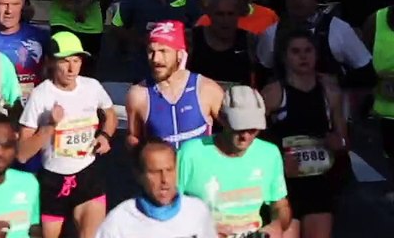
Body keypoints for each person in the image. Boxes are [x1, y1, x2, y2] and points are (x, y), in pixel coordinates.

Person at [18, 32, 116, 238]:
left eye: (76, 60)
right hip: (53, 180)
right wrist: (50, 126)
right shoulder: (40, 95)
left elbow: (110, 114)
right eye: (65, 61)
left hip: (87, 174)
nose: (72, 68)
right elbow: (22, 153)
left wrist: (105, 136)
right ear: (51, 62)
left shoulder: (92, 87)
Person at [261, 30, 348, 238]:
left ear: (317, 55)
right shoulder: (273, 93)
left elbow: (344, 140)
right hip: (284, 186)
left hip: (319, 182)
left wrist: (338, 142)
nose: (303, 56)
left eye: (308, 51)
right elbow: (254, 138)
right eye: (296, 51)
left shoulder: (330, 93)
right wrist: (278, 160)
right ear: (285, 57)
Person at [176, 86, 291, 238]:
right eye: (239, 128)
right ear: (222, 119)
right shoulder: (190, 153)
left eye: (253, 130)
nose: (245, 136)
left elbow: (280, 205)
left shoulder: (269, 154)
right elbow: (168, 207)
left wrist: (277, 225)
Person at [124, 20, 224, 151]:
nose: (156, 59)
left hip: (199, 170)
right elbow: (133, 138)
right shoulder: (138, 94)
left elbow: (232, 130)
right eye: (151, 51)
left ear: (179, 54)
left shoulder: (206, 89)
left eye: (163, 51)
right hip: (162, 171)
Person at [94, 139, 217, 238]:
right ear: (139, 175)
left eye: (169, 170)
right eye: (155, 172)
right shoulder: (119, 221)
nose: (164, 179)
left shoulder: (197, 211)